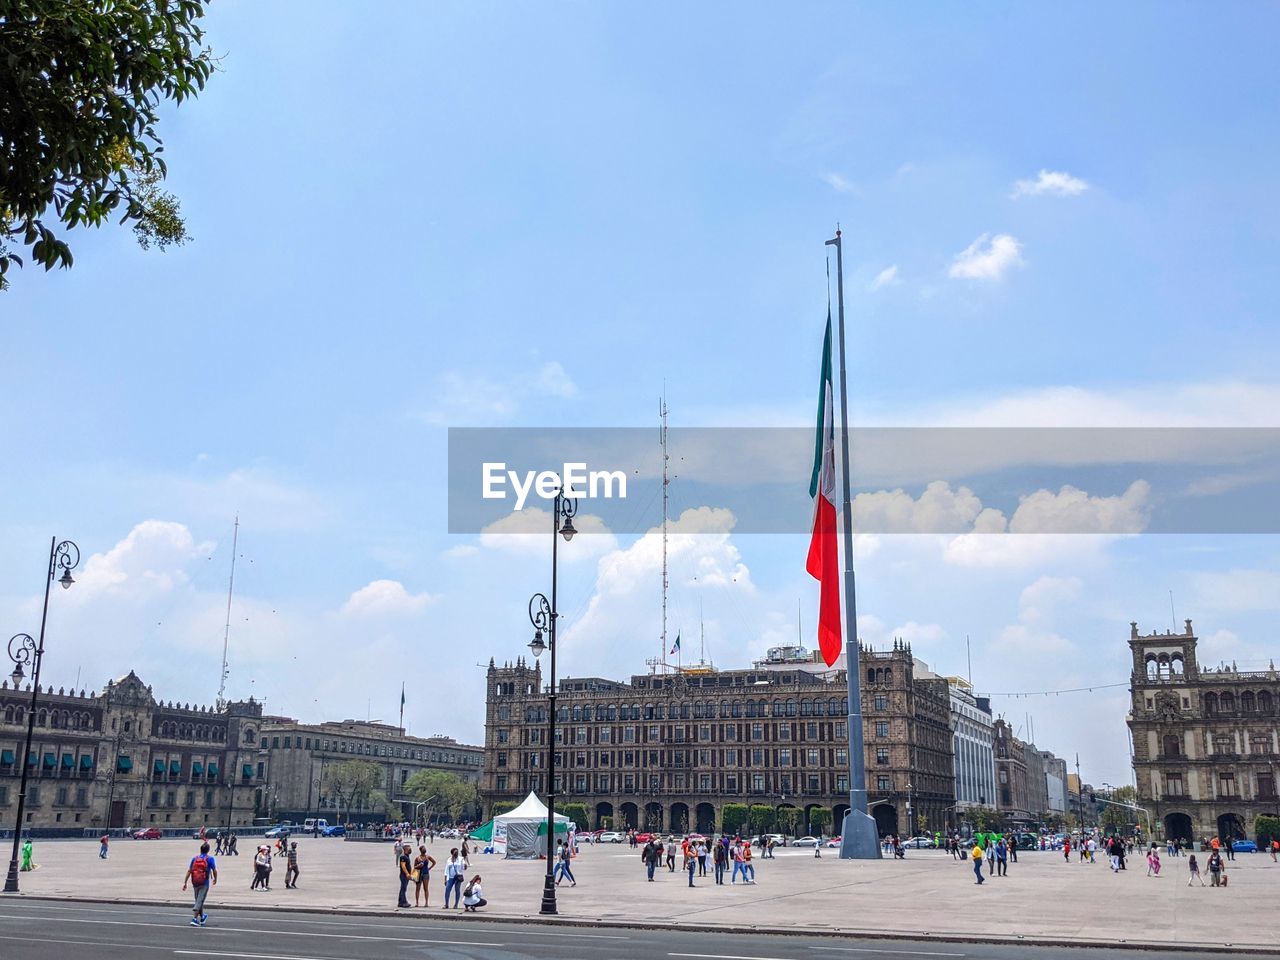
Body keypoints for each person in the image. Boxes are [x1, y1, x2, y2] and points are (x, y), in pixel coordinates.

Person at [182, 841, 218, 927]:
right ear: (208, 850)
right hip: (204, 882)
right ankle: (194, 919)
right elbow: (214, 870)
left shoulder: (195, 858)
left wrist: (185, 882)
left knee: (199, 899)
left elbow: (189, 871)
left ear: (200, 850)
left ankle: (202, 917)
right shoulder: (210, 859)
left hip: (195, 882)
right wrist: (215, 879)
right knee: (200, 900)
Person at [397, 842, 413, 908]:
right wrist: (407, 874)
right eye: (409, 849)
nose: (410, 850)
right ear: (405, 849)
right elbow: (403, 866)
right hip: (404, 875)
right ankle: (404, 902)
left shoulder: (407, 856)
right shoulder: (403, 857)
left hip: (406, 875)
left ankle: (400, 902)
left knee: (403, 889)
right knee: (403, 889)